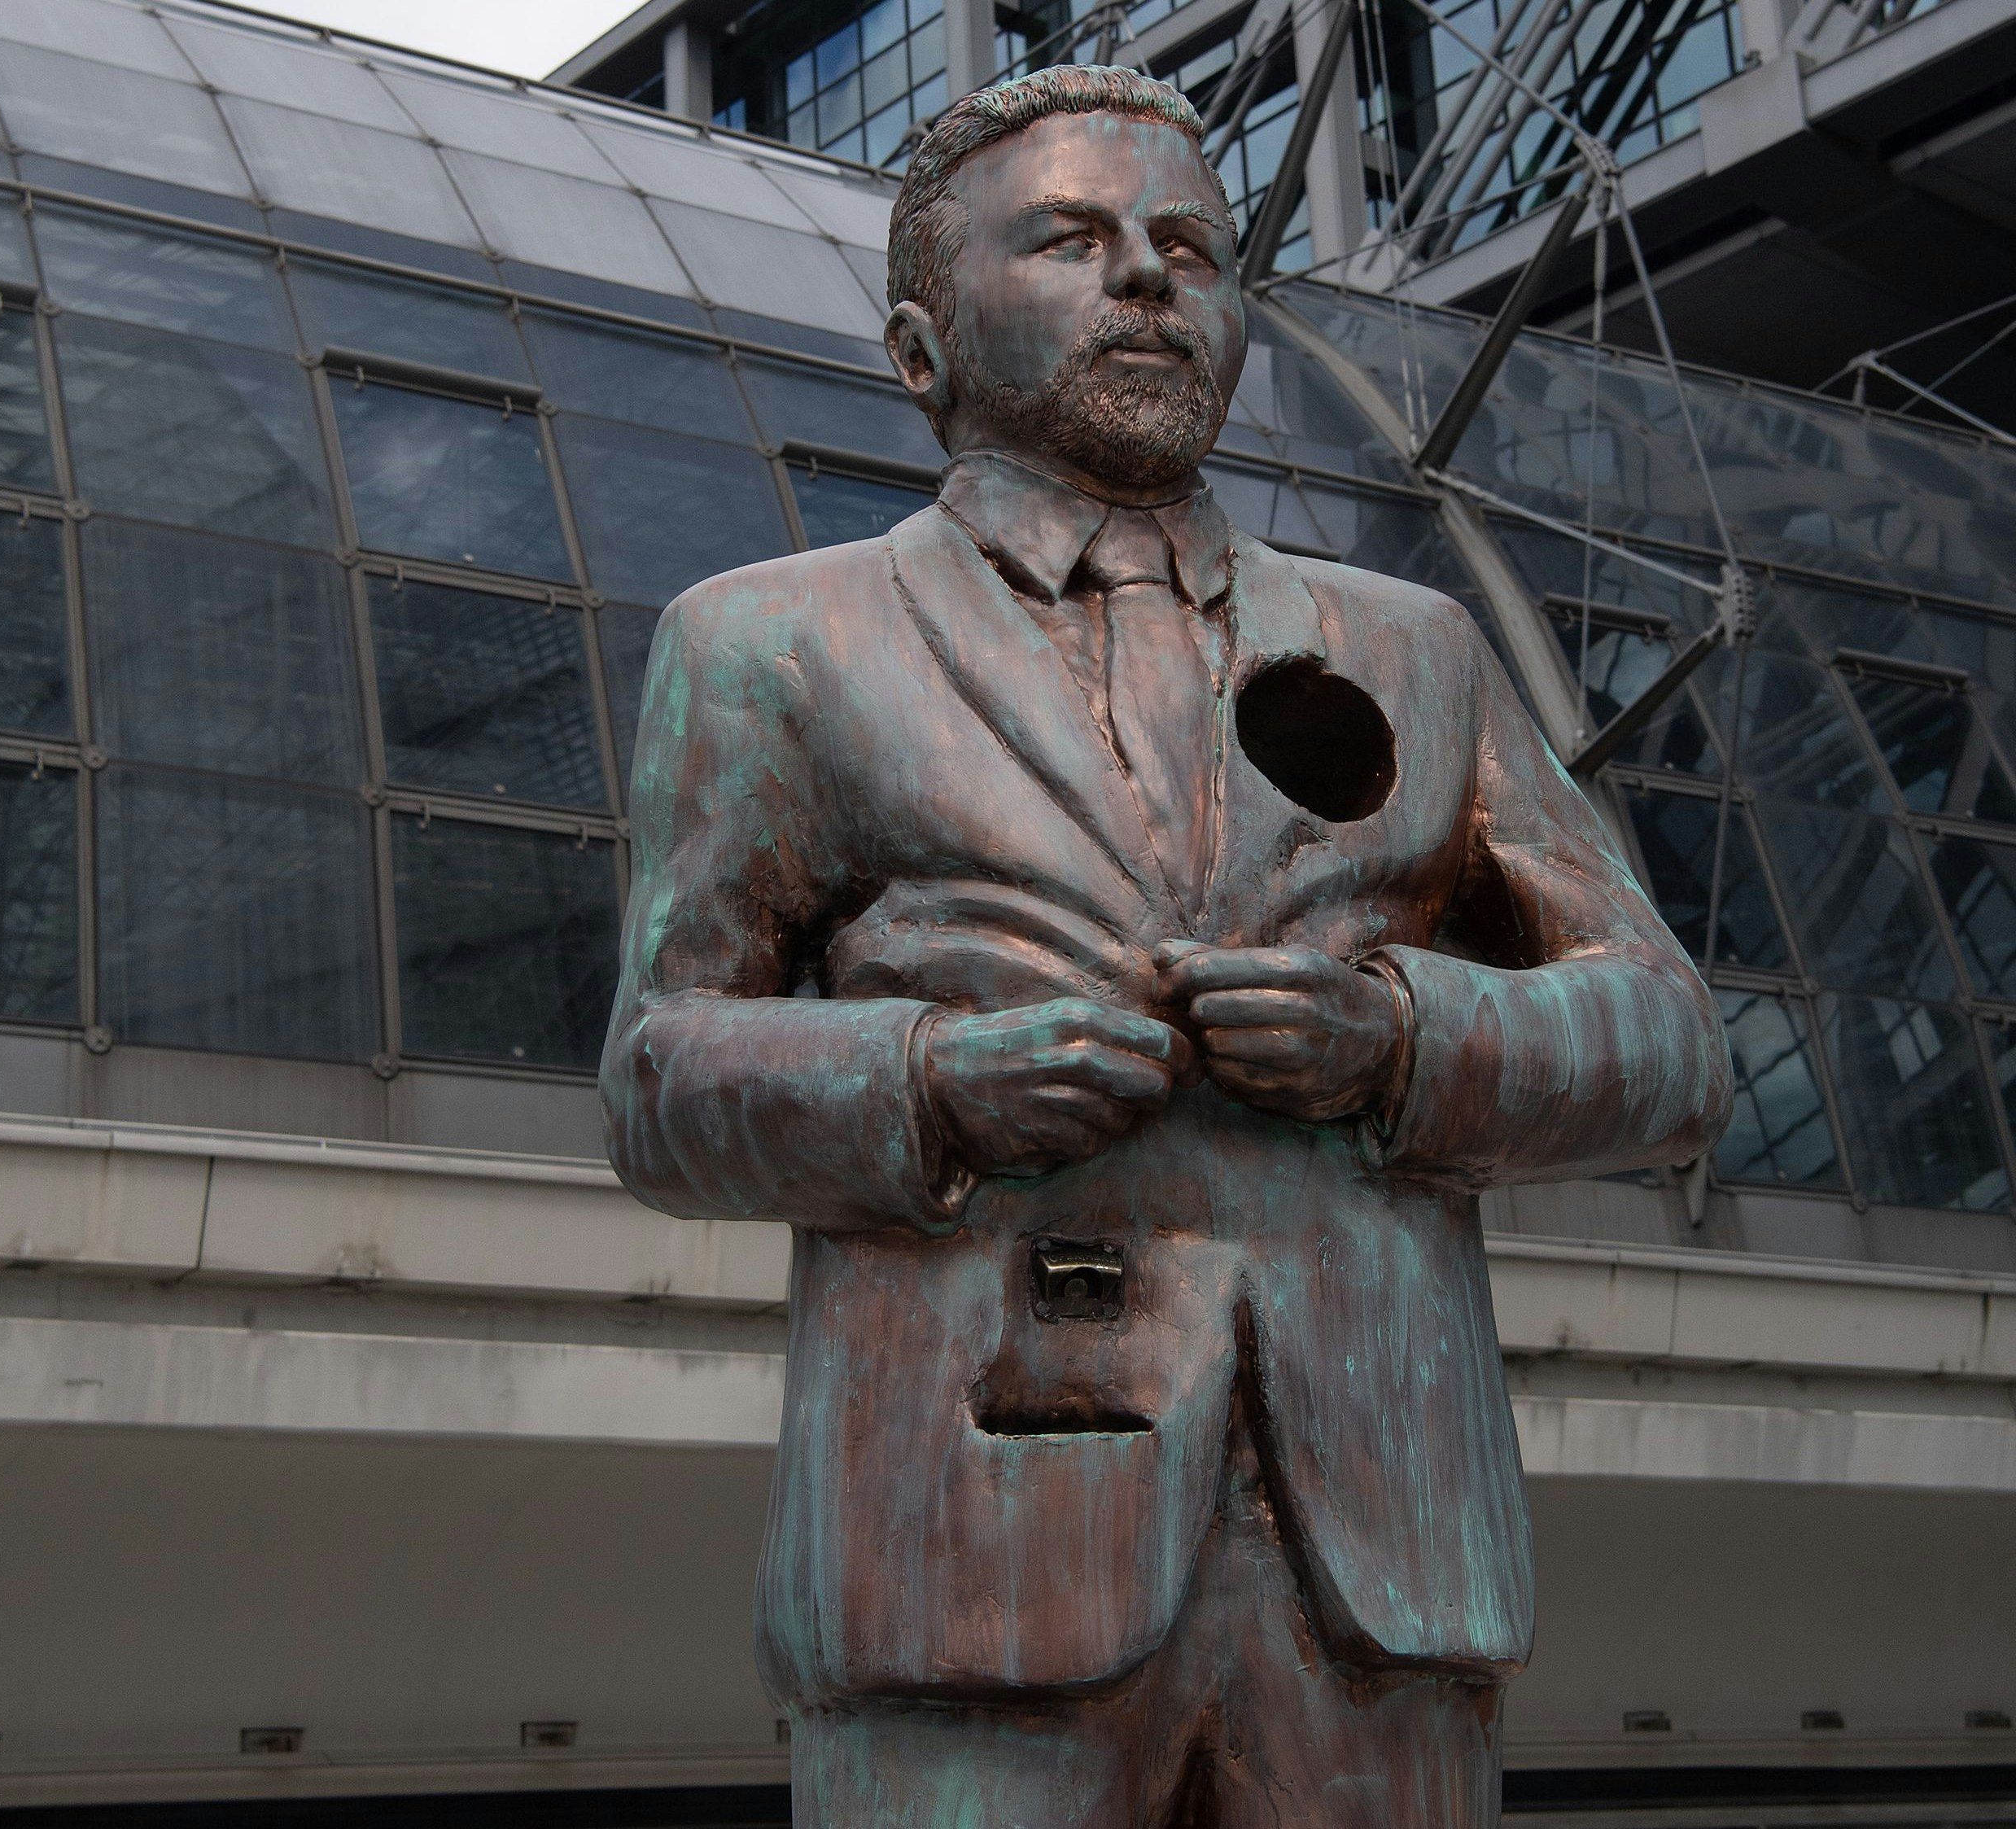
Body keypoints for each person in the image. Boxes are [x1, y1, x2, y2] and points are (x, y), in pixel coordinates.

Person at [597, 62, 1730, 1827]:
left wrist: (1402, 1041)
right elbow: (660, 1077)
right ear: (919, 350)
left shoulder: (1414, 647)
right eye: (1070, 241)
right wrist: (936, 1080)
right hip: (964, 1559)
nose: (1149, 278)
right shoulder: (772, 645)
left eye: (1190, 249)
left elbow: (1666, 1039)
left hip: (1379, 1575)